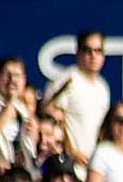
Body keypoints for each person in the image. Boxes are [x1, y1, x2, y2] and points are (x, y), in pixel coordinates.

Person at [45, 31, 111, 169]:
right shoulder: (68, 80)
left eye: (98, 51)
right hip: (68, 165)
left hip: (92, 165)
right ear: (78, 53)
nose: (93, 56)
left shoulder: (102, 87)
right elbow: (50, 118)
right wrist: (70, 151)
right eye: (87, 50)